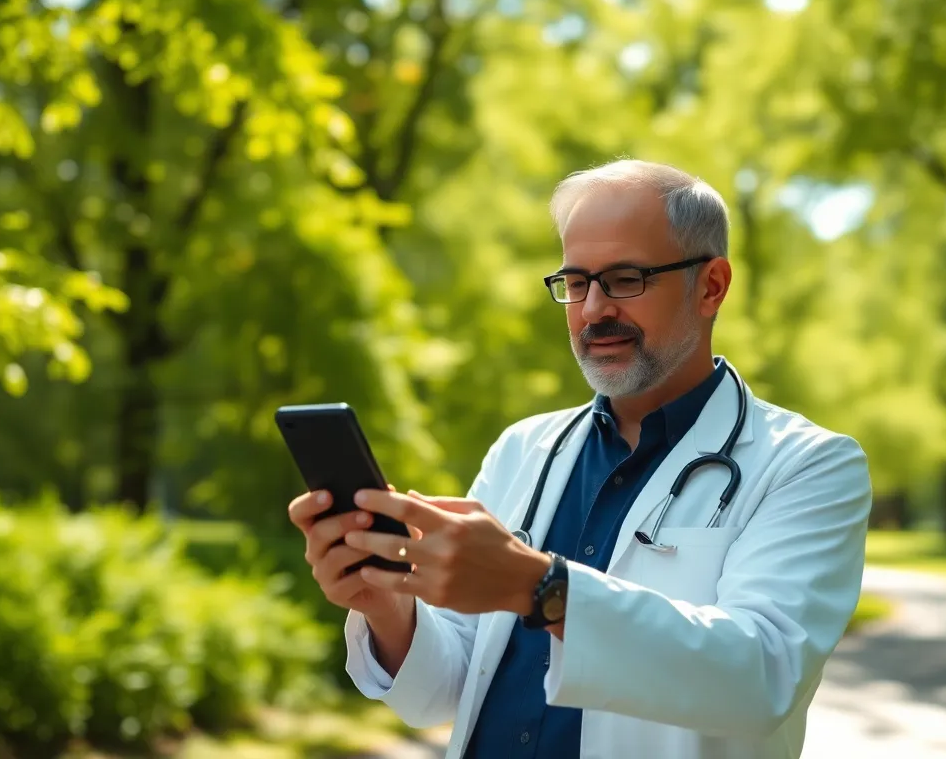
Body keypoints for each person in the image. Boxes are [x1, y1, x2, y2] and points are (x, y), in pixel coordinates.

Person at [288, 159, 873, 759]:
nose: (593, 310)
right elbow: (446, 692)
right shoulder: (523, 448)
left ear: (712, 286)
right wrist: (388, 608)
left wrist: (538, 587)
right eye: (575, 282)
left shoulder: (810, 466)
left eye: (625, 279)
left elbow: (762, 678)